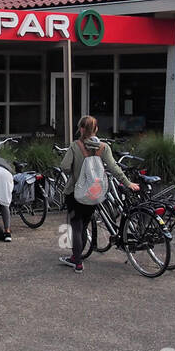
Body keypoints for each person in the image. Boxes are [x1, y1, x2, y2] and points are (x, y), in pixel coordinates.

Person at [57, 116, 138, 272]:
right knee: (85, 223)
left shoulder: (75, 146)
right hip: (94, 193)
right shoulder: (104, 147)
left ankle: (77, 262)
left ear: (81, 129)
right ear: (96, 130)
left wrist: (76, 170)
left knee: (76, 227)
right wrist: (128, 183)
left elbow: (64, 167)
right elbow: (114, 167)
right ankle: (77, 257)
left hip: (75, 192)